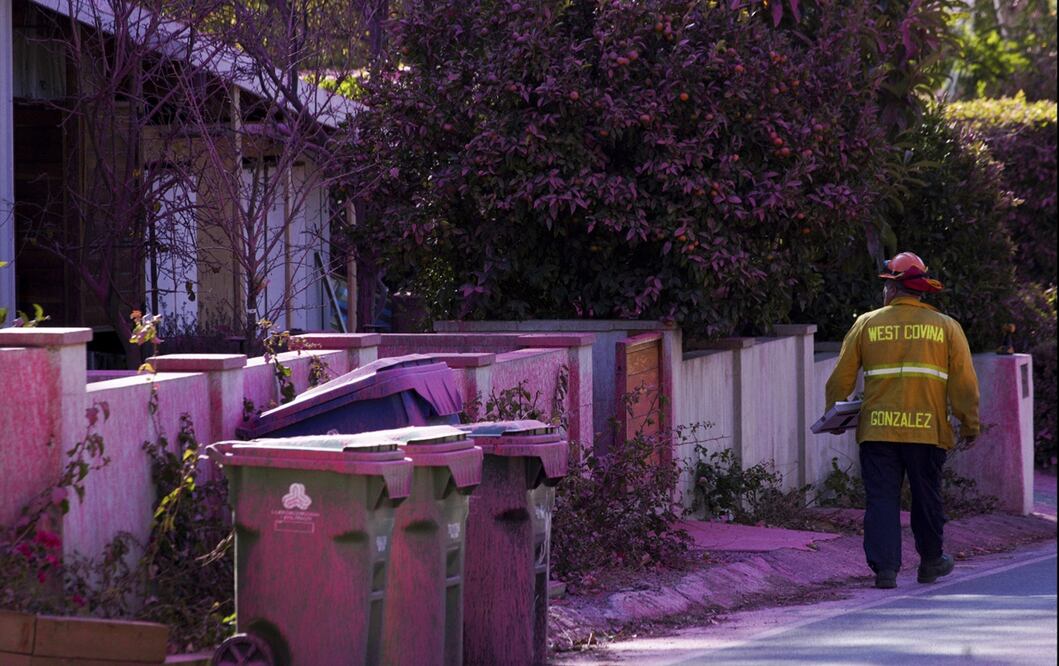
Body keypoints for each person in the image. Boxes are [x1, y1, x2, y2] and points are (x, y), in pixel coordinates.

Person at [825, 251, 980, 589]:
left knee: (881, 499)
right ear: (921, 290)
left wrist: (833, 416)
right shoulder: (946, 327)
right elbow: (964, 384)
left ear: (893, 288)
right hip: (927, 431)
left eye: (886, 286)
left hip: (878, 430)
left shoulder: (867, 323)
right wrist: (969, 424)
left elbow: (840, 379)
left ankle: (885, 570)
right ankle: (930, 561)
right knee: (926, 497)